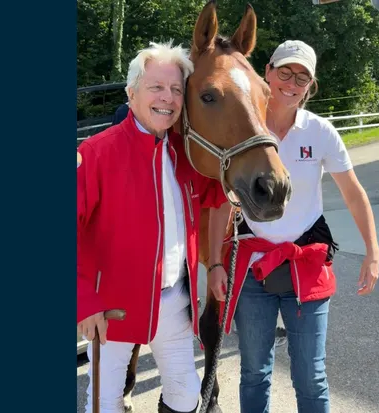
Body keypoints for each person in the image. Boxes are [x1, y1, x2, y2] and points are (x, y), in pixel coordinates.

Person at [207, 40, 379, 413]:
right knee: (254, 372)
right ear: (267, 72)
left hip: (306, 264)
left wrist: (372, 251)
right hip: (253, 268)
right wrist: (215, 263)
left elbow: (353, 193)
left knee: (310, 376)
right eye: (285, 72)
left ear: (310, 85)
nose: (291, 82)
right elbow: (221, 200)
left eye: (302, 77)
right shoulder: (243, 126)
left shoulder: (320, 131)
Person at [77, 41, 228, 413]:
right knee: (105, 403)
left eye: (176, 89)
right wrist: (85, 301)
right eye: (156, 87)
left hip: (174, 302)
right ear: (131, 93)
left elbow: (221, 191)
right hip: (112, 308)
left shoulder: (185, 154)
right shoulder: (96, 153)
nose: (168, 97)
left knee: (186, 395)